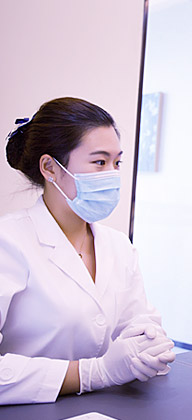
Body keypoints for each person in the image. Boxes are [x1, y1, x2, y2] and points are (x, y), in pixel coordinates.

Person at [0, 97, 176, 405]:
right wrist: (92, 373)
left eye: (116, 163)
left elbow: (137, 322)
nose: (112, 174)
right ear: (50, 168)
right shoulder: (9, 241)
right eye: (99, 162)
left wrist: (148, 346)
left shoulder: (118, 245)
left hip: (106, 407)